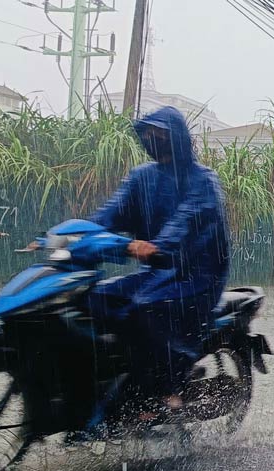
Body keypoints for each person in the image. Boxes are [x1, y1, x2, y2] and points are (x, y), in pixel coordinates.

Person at [87, 106, 230, 416]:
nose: (152, 138)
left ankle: (167, 388)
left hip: (198, 278)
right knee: (95, 298)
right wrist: (77, 236)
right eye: (148, 133)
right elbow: (109, 214)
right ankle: (118, 378)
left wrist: (157, 247)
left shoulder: (203, 180)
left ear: (177, 137)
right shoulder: (142, 177)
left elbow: (186, 219)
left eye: (159, 134)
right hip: (158, 274)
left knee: (145, 307)